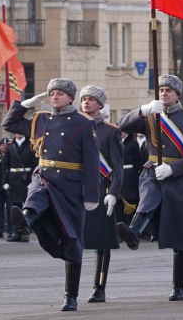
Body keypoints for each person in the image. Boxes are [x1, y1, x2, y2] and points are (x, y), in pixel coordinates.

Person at [3, 78, 100, 312]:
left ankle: (71, 296)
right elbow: (10, 123)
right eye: (51, 93)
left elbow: (92, 161)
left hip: (70, 184)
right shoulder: (41, 119)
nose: (54, 97)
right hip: (44, 175)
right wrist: (26, 103)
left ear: (70, 97)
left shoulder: (84, 123)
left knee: (73, 239)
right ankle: (24, 219)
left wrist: (91, 195)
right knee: (35, 195)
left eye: (59, 93)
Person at [116, 74, 183, 302]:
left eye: (168, 90)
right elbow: (121, 126)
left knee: (180, 232)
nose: (163, 94)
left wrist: (173, 169)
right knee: (148, 200)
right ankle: (134, 232)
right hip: (152, 170)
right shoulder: (151, 114)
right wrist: (142, 111)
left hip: (179, 177)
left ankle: (178, 286)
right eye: (161, 90)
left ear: (177, 95)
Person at [79, 85, 123, 304]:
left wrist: (113, 192)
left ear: (100, 104)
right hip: (76, 191)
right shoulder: (73, 127)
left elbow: (117, 167)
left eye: (91, 99)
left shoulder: (110, 131)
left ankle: (99, 287)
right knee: (73, 240)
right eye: (83, 98)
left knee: (101, 243)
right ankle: (71, 290)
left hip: (100, 191)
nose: (86, 102)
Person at [3, 130, 36, 242]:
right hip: (13, 179)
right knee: (14, 207)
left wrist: (33, 180)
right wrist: (5, 181)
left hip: (26, 179)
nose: (19, 133)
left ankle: (25, 232)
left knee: (25, 206)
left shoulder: (30, 145)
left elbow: (34, 164)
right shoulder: (10, 146)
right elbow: (5, 165)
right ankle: (17, 233)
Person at [116, 127, 143, 227]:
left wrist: (135, 173)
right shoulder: (116, 142)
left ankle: (129, 226)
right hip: (118, 173)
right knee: (118, 201)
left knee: (129, 200)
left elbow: (138, 160)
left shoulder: (132, 143)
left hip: (130, 175)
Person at [0, 138, 14, 239]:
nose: (3, 147)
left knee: (10, 209)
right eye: (2, 145)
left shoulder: (11, 156)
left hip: (8, 185)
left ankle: (11, 230)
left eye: (5, 146)